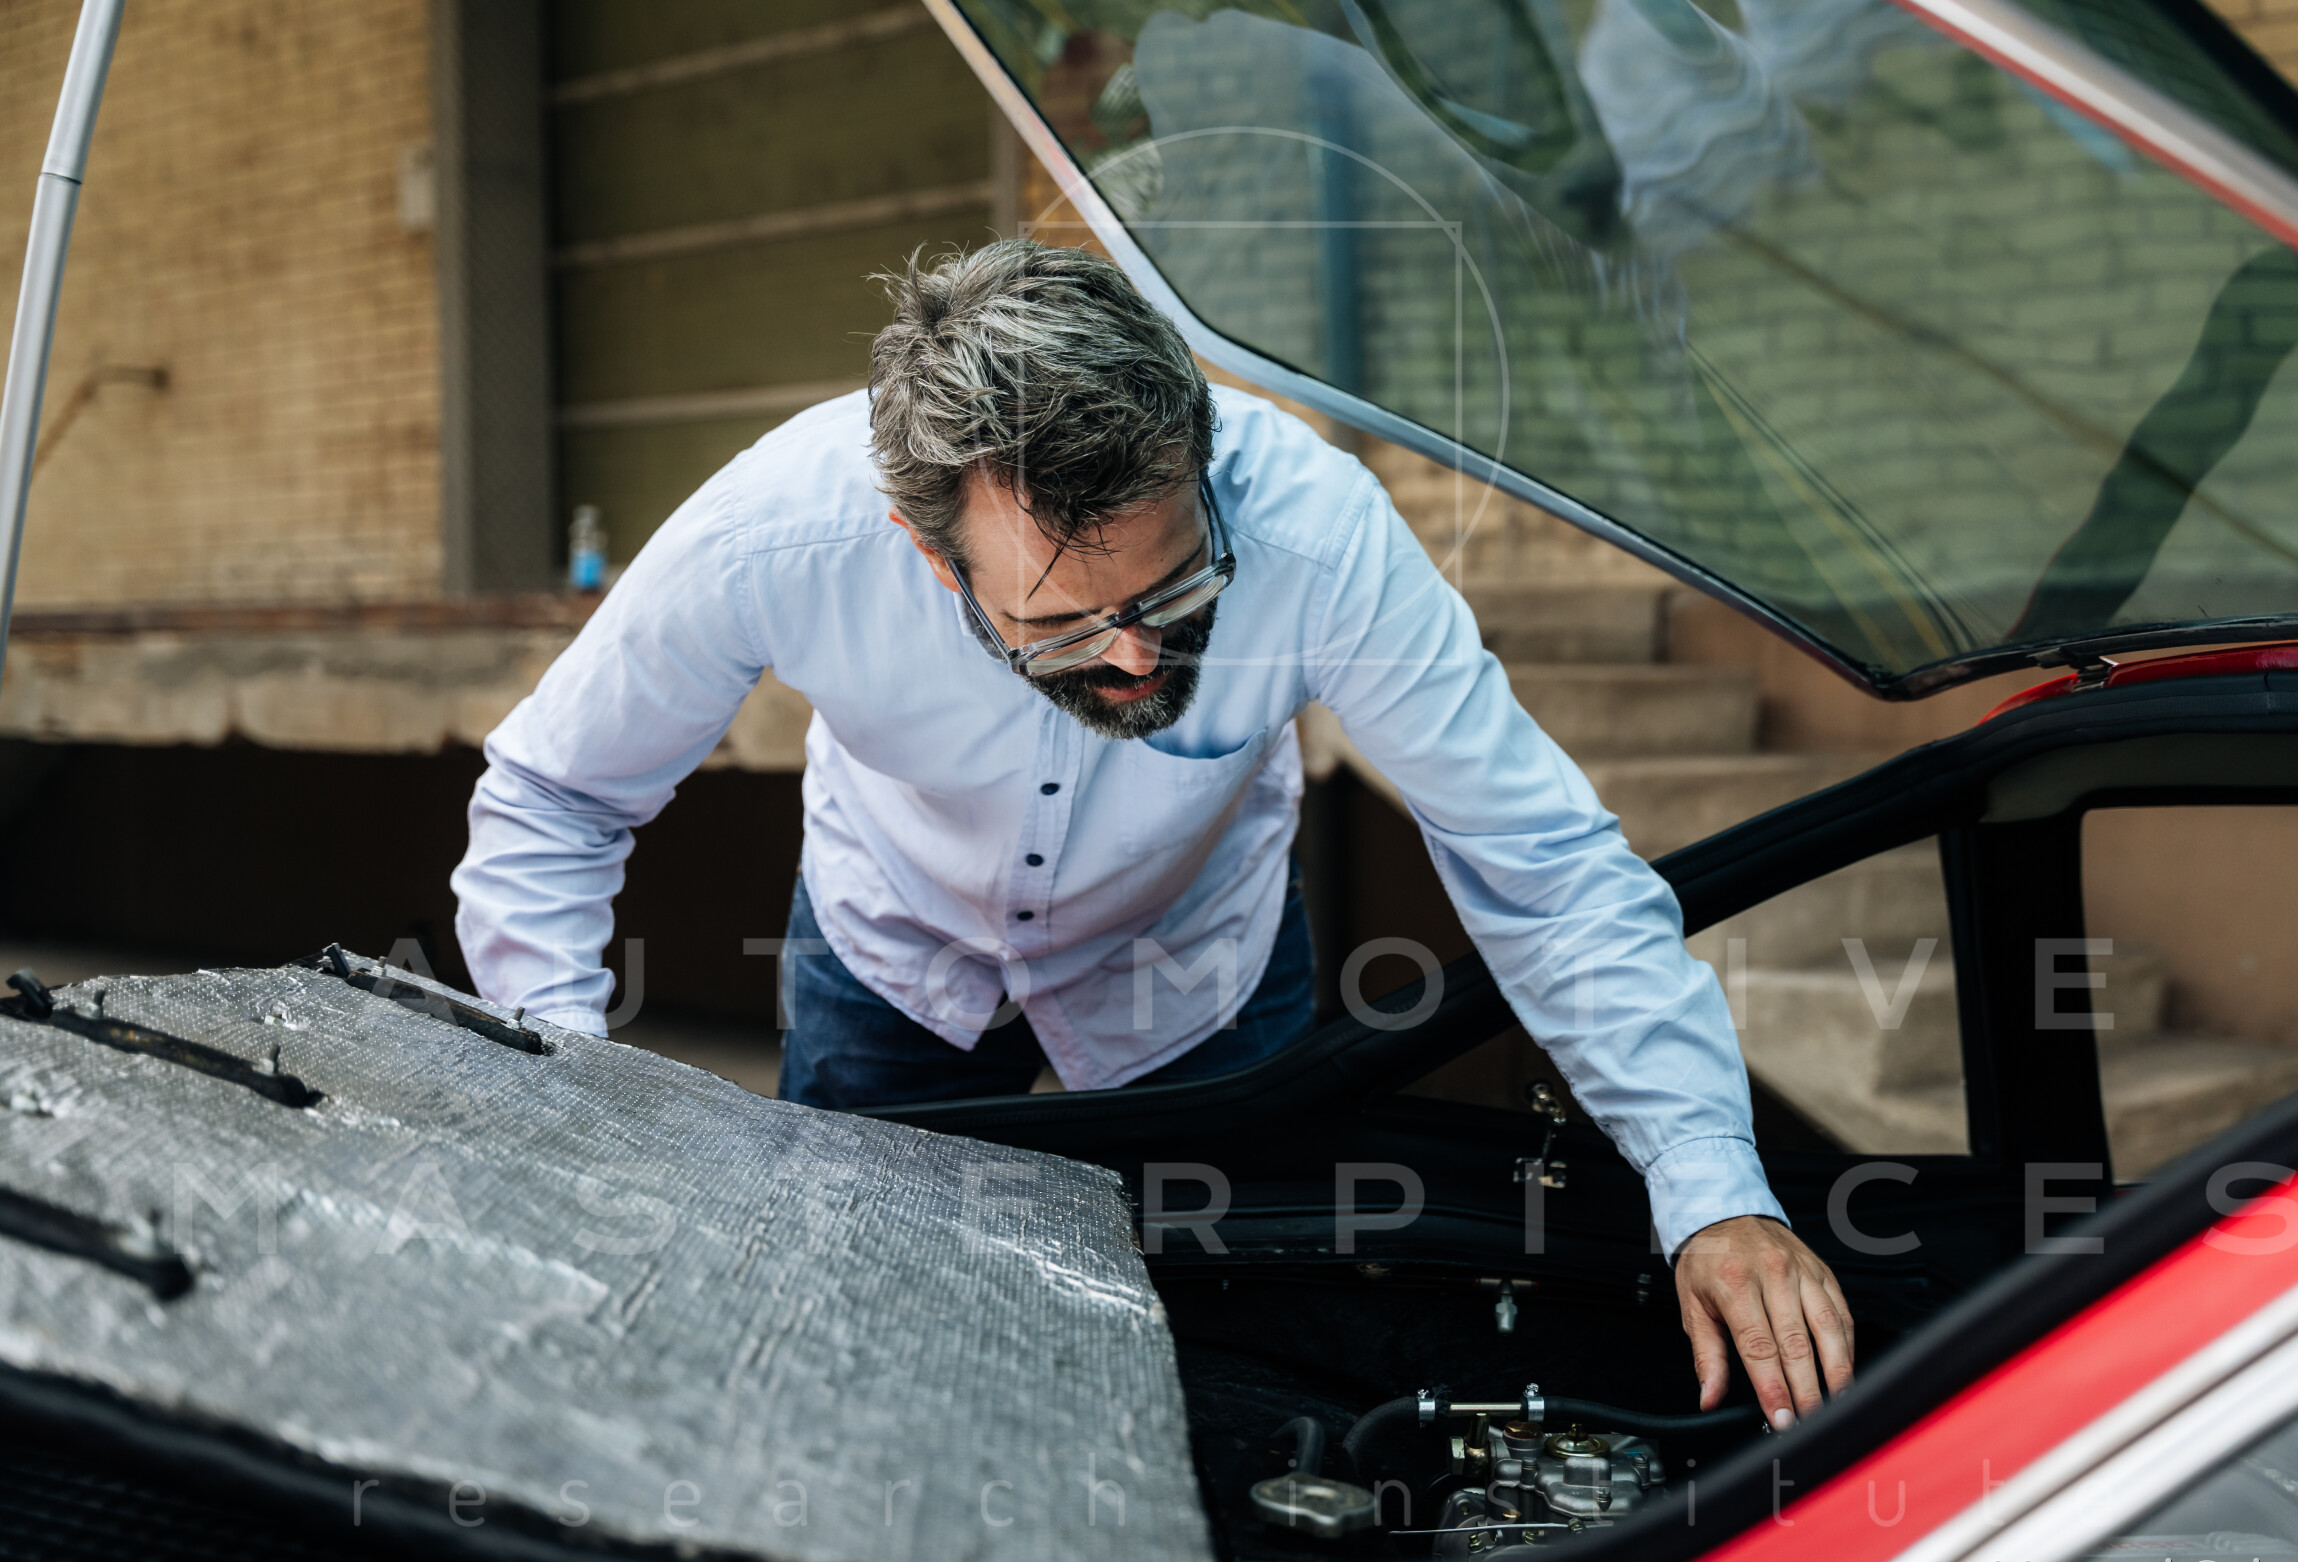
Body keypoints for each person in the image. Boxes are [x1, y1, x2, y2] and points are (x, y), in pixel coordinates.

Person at [452, 240, 1853, 1424]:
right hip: (893, 956)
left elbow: (1540, 862)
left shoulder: (1323, 537)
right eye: (1059, 623)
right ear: (929, 552)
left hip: (1202, 970)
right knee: (851, 1348)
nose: (1132, 656)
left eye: (1177, 590)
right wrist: (576, 1104)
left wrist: (1708, 1183)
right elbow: (553, 797)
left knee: (1253, 1364)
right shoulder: (774, 532)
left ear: (1201, 455)